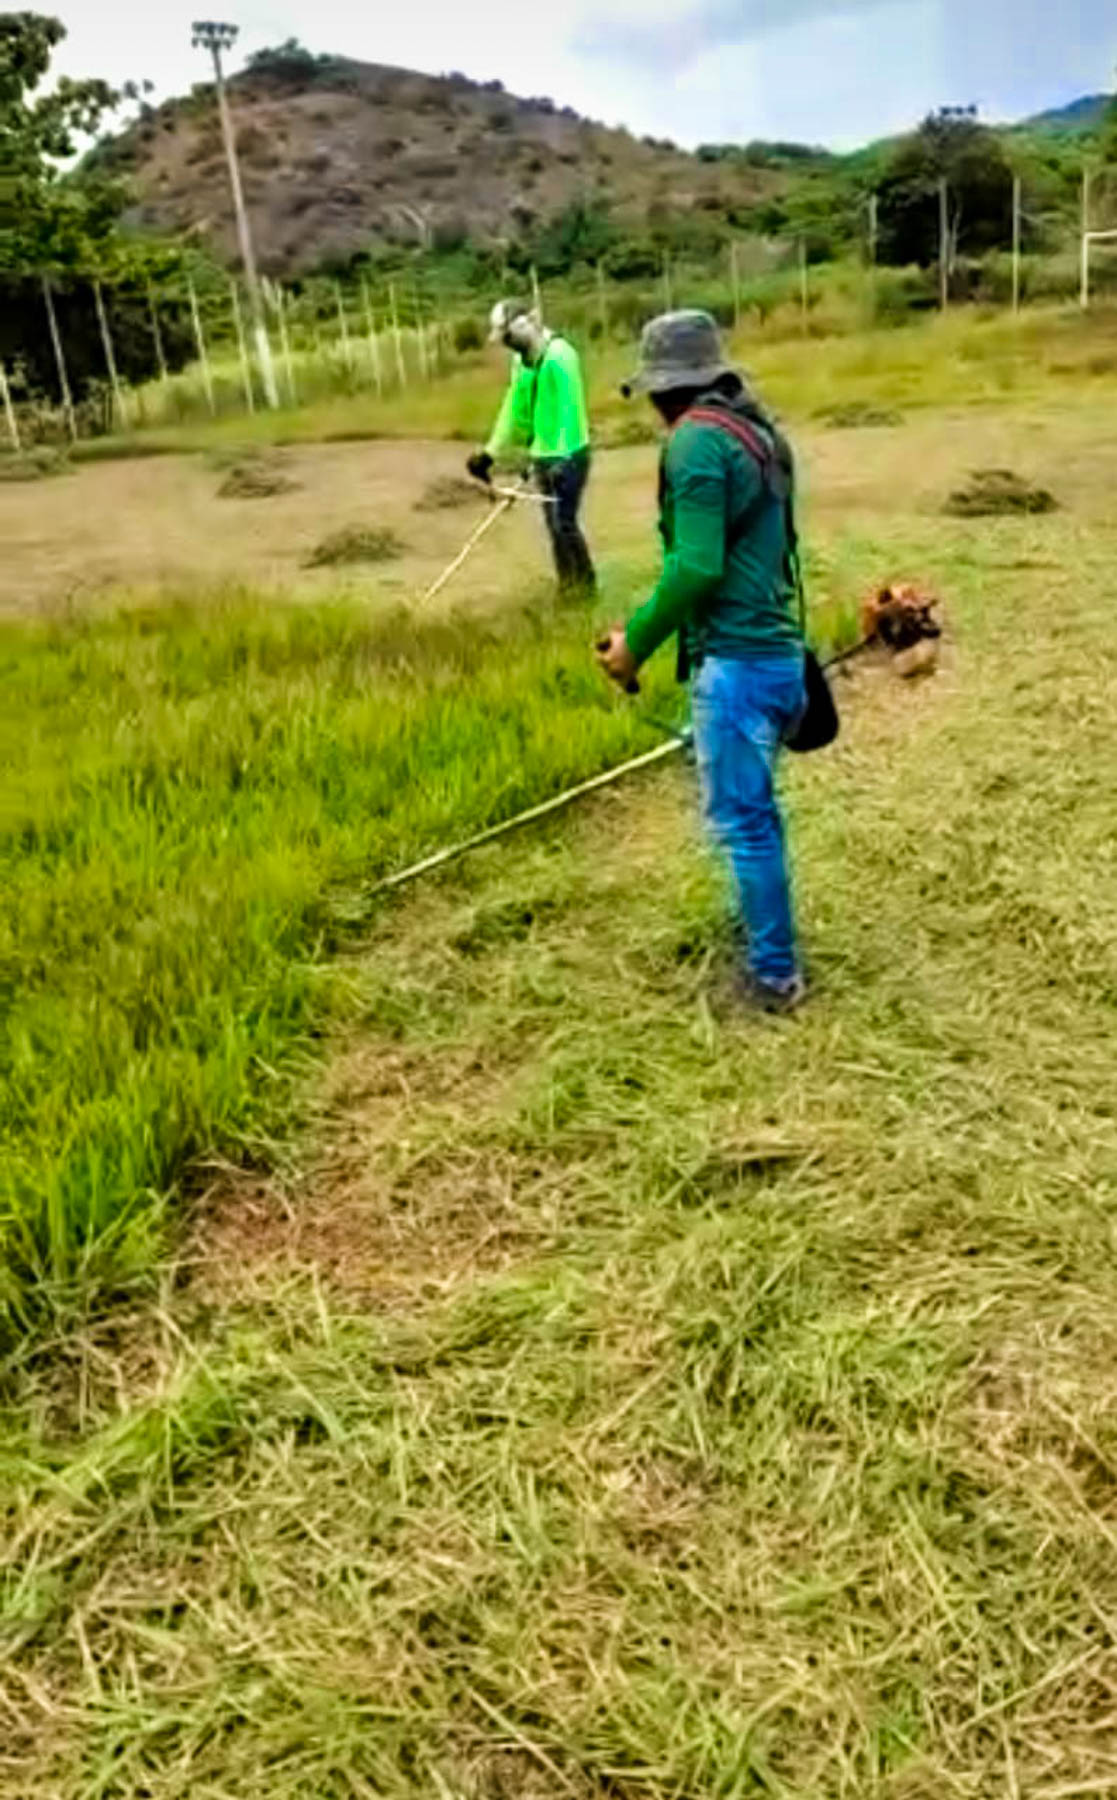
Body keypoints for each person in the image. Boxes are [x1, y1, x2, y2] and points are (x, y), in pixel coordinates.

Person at [596, 310, 807, 1013]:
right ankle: (761, 932)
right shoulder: (759, 433)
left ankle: (772, 975)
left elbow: (694, 565)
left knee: (746, 823)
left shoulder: (694, 443)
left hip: (739, 669)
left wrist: (632, 646)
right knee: (757, 815)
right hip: (778, 659)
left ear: (660, 391)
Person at [467, 298, 596, 597]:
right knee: (554, 528)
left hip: (571, 455)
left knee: (563, 522)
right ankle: (569, 589)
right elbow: (514, 410)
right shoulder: (521, 363)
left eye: (509, 337)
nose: (507, 344)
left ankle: (585, 589)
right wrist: (489, 453)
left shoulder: (560, 357)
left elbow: (571, 409)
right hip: (542, 454)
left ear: (525, 324)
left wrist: (563, 457)